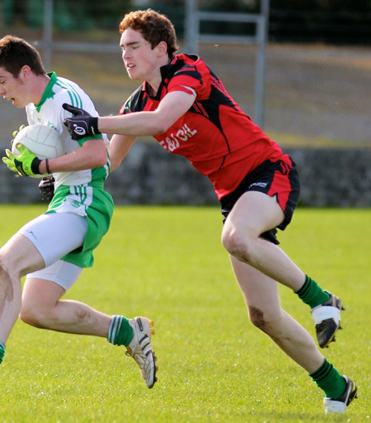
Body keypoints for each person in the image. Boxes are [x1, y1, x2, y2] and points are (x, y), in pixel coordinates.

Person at [62, 9, 357, 414]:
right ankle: (336, 385)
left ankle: (322, 299)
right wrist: (62, 176)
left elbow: (162, 119)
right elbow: (109, 161)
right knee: (262, 315)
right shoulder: (136, 103)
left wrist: (94, 122)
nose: (125, 55)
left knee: (235, 239)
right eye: (122, 48)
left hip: (268, 172)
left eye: (133, 46)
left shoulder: (188, 71)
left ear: (161, 48)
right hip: (234, 197)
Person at [0, 35, 157, 391]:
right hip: (69, 201)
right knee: (36, 310)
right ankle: (128, 331)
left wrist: (42, 165)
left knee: (3, 263)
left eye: (1, 81)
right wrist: (51, 175)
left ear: (25, 72)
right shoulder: (37, 104)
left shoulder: (63, 99)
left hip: (83, 203)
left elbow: (100, 155)